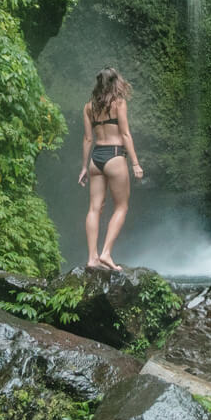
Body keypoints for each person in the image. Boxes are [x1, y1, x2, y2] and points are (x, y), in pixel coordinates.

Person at [78, 67, 144, 271]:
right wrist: (135, 163)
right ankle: (106, 253)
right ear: (115, 83)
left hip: (96, 158)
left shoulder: (89, 107)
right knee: (122, 206)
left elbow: (88, 138)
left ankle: (92, 258)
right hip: (115, 155)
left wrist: (83, 167)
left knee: (94, 208)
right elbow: (125, 135)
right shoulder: (119, 104)